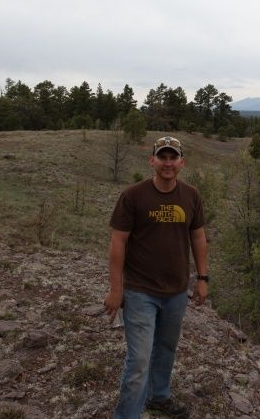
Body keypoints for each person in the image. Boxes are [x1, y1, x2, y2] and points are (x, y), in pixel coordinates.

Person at [104, 135, 209, 419]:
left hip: (176, 291)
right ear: (152, 160)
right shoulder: (133, 196)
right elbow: (118, 242)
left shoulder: (191, 196)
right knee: (139, 359)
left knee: (165, 348)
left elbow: (198, 237)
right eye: (162, 157)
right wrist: (116, 289)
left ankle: (158, 396)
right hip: (140, 291)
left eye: (173, 157)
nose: (168, 163)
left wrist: (202, 278)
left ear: (182, 163)